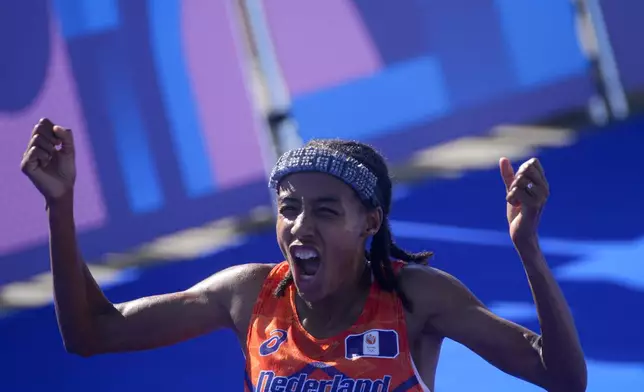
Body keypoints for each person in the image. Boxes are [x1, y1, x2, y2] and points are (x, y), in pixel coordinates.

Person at [21, 118, 587, 392]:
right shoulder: (249, 293)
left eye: (325, 211)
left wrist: (529, 251)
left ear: (370, 223)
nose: (299, 227)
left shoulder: (415, 298)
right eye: (289, 208)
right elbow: (91, 333)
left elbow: (561, 377)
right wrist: (60, 205)